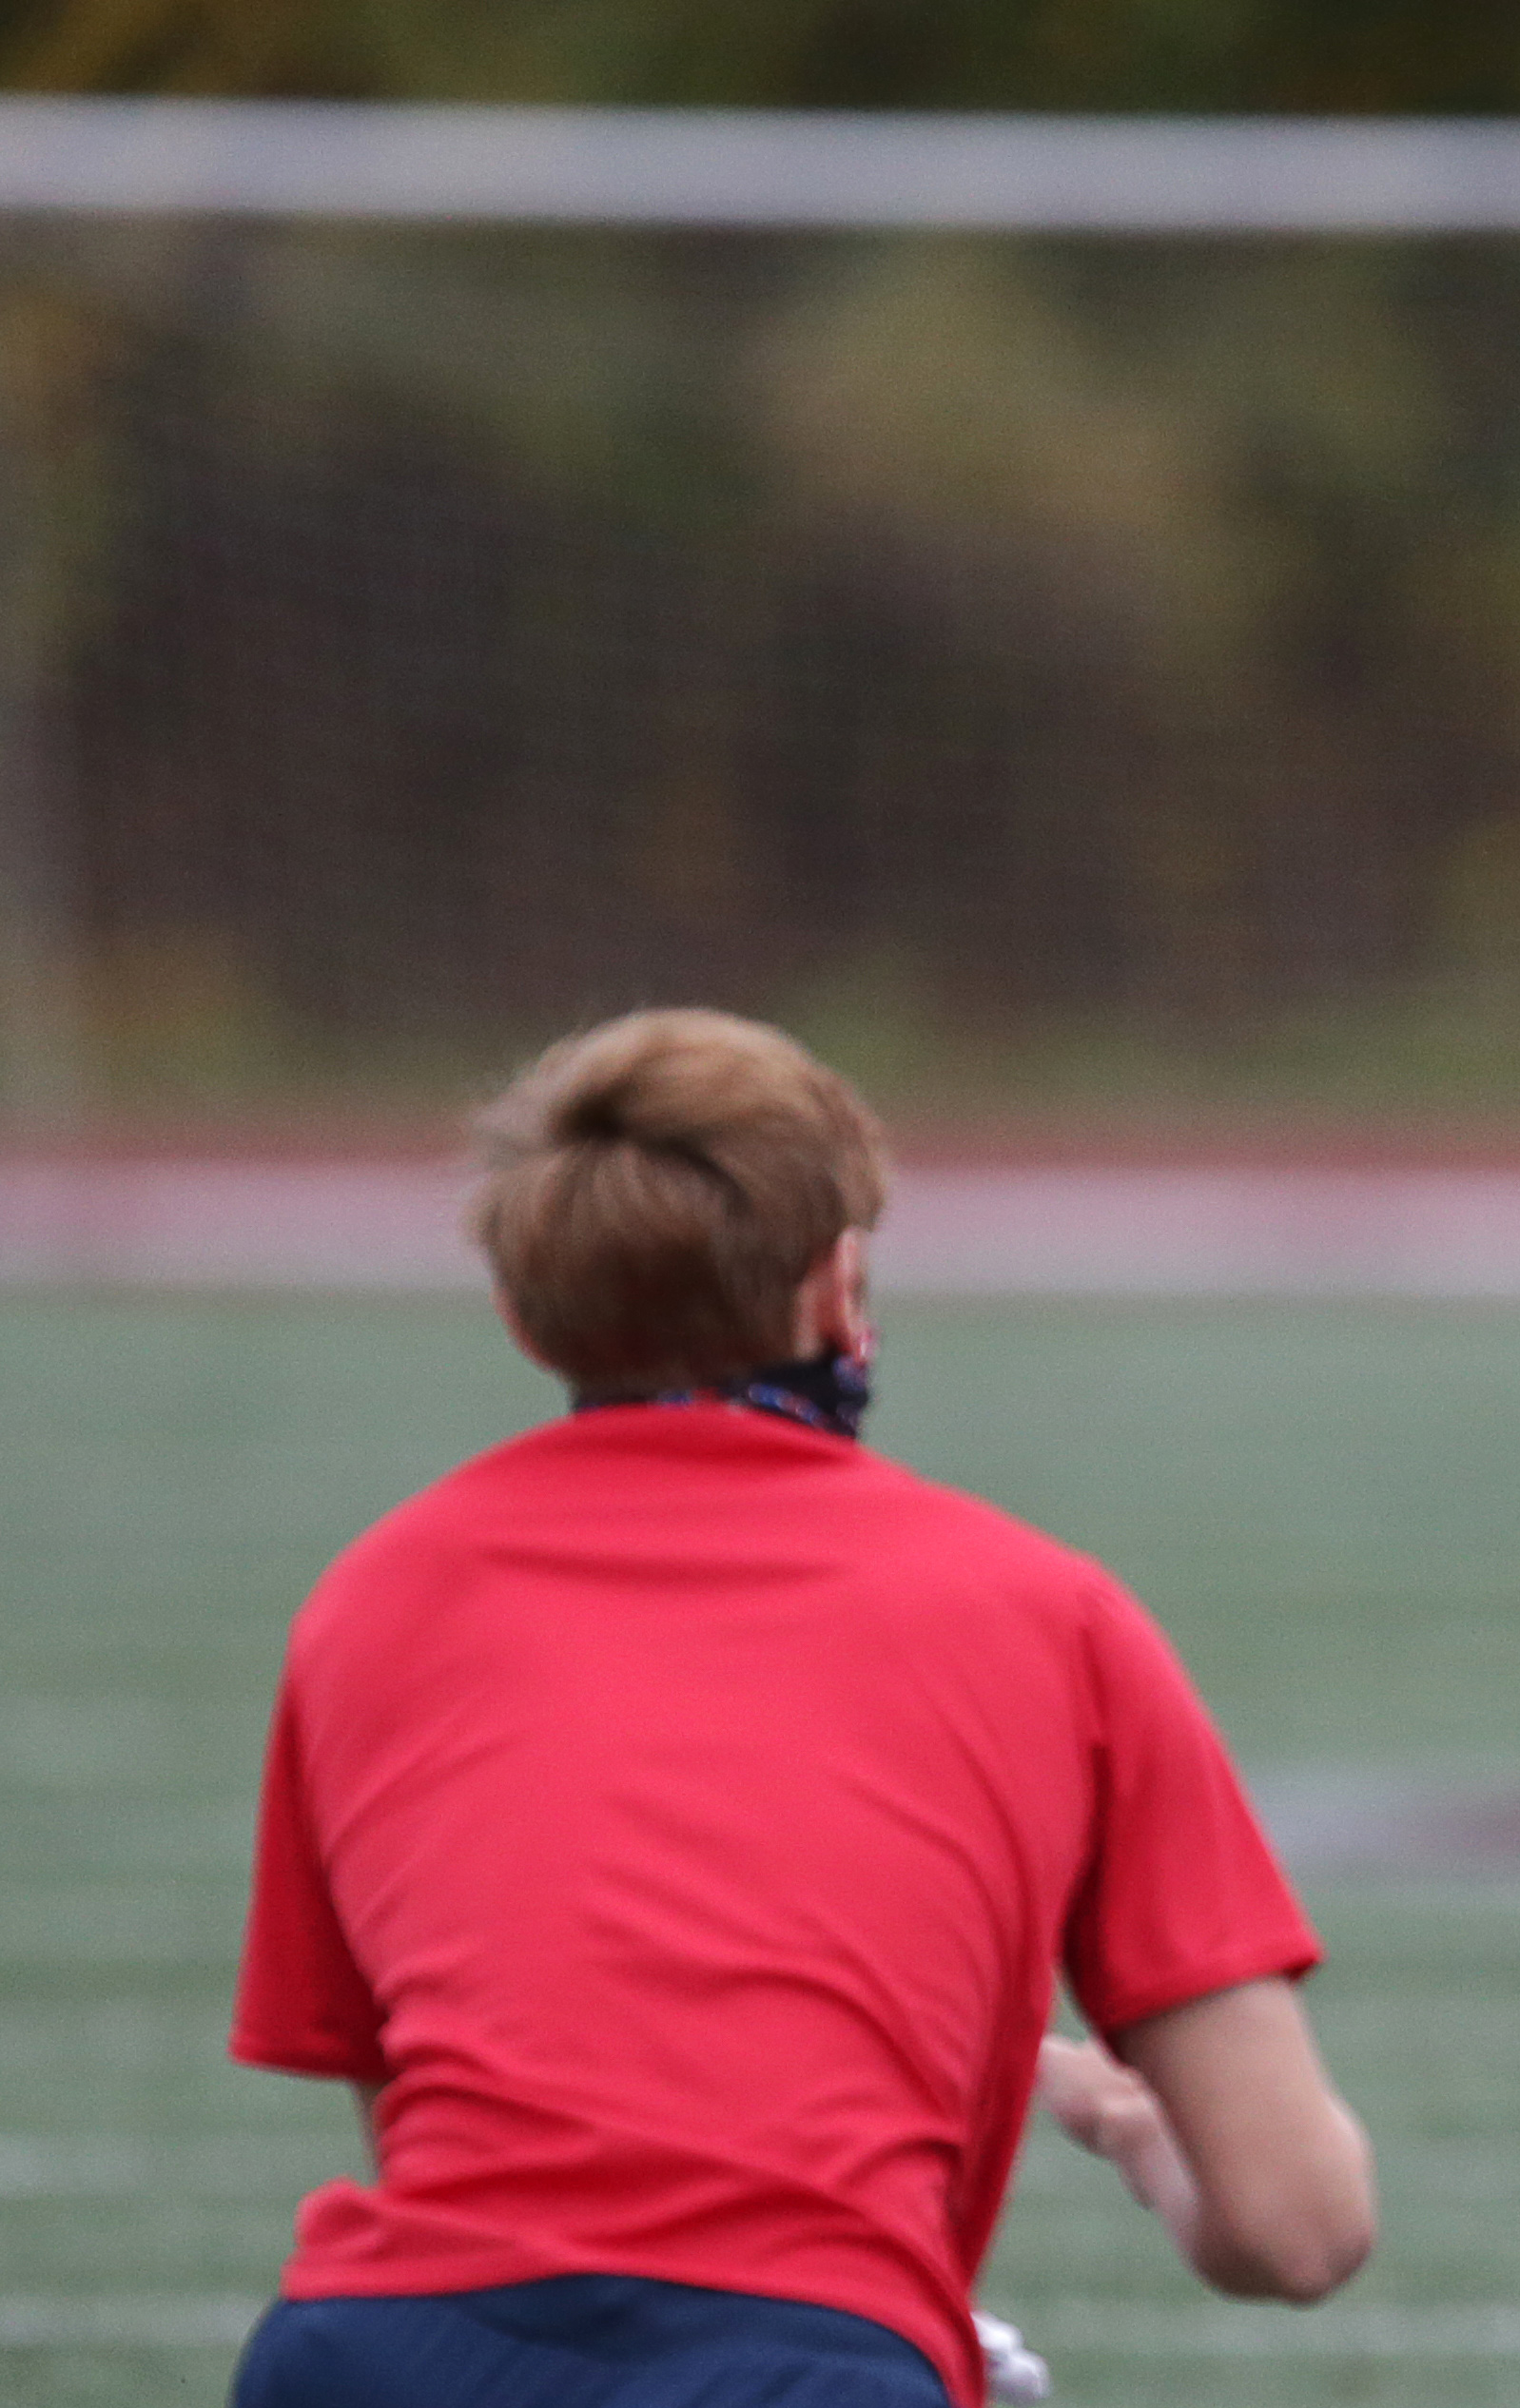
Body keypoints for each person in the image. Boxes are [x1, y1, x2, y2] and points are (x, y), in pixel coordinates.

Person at [226, 1008, 1373, 2408]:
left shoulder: (370, 1601)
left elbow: (436, 2128)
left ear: (525, 1314)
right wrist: (1139, 2133)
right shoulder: (1045, 1612)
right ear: (838, 1285)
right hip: (792, 2363)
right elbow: (1298, 2225)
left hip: (362, 2355)